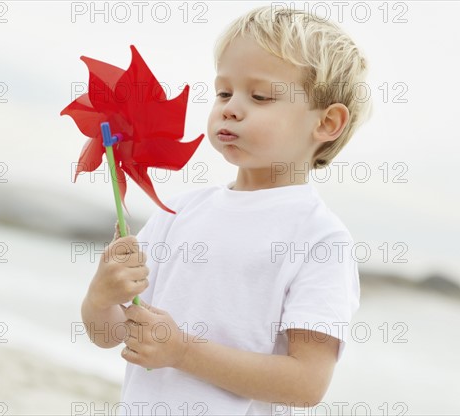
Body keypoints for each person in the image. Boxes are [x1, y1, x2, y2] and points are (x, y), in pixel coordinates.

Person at [81, 5, 372, 415]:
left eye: (259, 96)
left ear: (326, 124)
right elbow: (113, 332)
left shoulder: (319, 238)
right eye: (223, 92)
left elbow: (306, 383)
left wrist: (182, 351)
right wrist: (100, 297)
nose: (231, 107)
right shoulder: (176, 211)